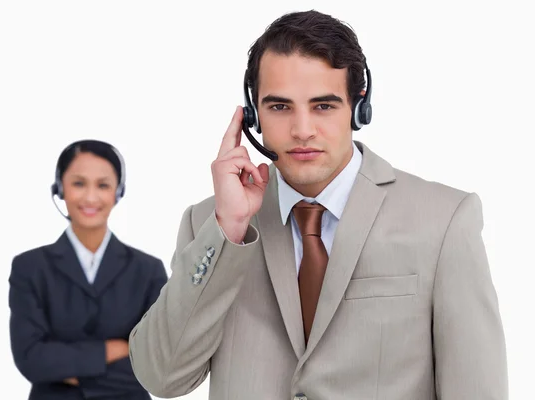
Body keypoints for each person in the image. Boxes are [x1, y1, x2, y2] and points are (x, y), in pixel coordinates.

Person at [128, 10, 508, 400]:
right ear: (253, 115)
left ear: (359, 107)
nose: (302, 129)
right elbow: (162, 377)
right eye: (280, 107)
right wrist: (227, 228)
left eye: (323, 106)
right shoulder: (210, 223)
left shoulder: (444, 220)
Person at [9, 139, 167, 400]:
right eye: (79, 183)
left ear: (118, 192)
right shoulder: (30, 268)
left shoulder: (148, 270)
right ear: (60, 189)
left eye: (103, 185)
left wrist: (68, 371)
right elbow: (31, 360)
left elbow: (157, 365)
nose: (91, 197)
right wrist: (112, 350)